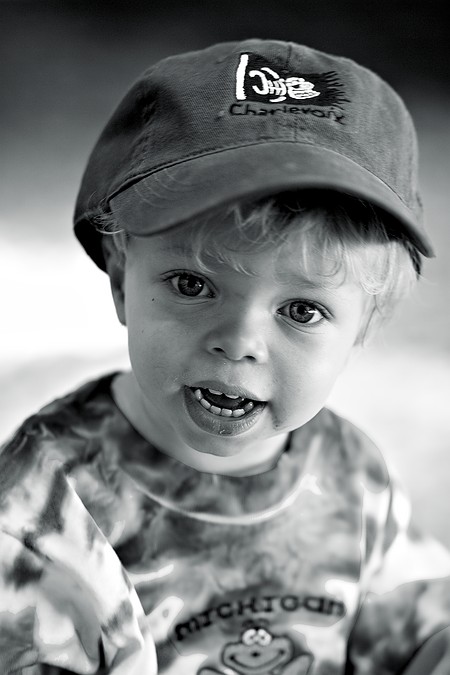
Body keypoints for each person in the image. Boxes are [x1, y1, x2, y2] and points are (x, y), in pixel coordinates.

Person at [0, 38, 449, 675]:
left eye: (301, 310)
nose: (239, 341)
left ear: (361, 329)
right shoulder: (42, 517)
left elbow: (421, 626)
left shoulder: (350, 473)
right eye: (192, 285)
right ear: (122, 279)